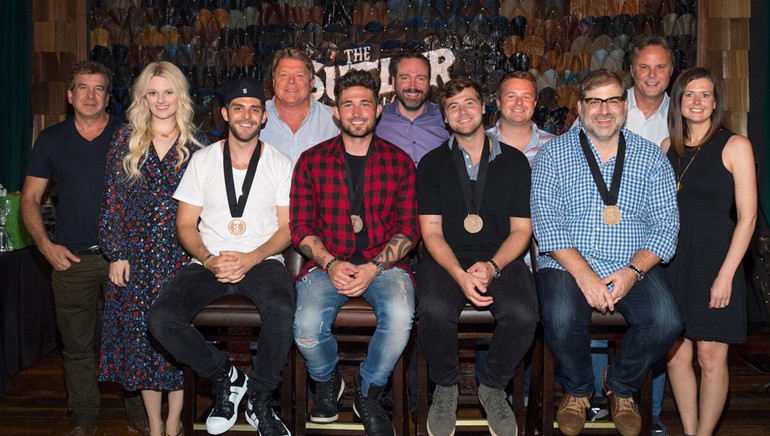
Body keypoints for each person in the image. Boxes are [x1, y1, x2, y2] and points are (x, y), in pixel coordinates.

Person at [530, 70, 682, 436]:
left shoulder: (650, 157)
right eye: (594, 101)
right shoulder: (551, 155)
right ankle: (579, 391)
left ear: (624, 107)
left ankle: (621, 384)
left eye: (612, 100)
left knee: (667, 321)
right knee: (562, 314)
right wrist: (584, 276)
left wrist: (632, 272)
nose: (604, 109)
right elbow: (547, 224)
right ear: (580, 107)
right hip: (568, 263)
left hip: (629, 262)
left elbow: (667, 226)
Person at [148, 78, 294, 436]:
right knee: (161, 318)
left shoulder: (279, 162)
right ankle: (225, 376)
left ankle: (260, 398)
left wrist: (254, 256)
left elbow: (288, 227)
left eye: (255, 109)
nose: (247, 116)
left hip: (262, 260)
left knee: (283, 309)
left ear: (264, 118)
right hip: (207, 261)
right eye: (239, 108)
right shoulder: (202, 159)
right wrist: (209, 258)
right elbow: (185, 224)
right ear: (226, 113)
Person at [19, 60, 148, 436]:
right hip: (71, 258)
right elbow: (30, 199)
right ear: (70, 94)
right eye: (83, 88)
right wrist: (45, 246)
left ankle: (139, 409)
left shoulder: (130, 136)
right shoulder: (51, 139)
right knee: (75, 347)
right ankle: (84, 417)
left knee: (133, 338)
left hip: (123, 259)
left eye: (99, 89)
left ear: (109, 97)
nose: (90, 96)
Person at [290, 69, 419, 436]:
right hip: (326, 263)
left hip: (385, 265)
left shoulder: (400, 162)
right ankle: (329, 379)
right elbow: (300, 226)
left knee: (399, 317)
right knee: (306, 329)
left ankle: (367, 390)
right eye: (348, 105)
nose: (357, 112)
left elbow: (409, 229)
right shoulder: (311, 161)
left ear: (379, 109)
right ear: (336, 112)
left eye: (365, 103)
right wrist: (329, 263)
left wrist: (374, 267)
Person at [417, 77, 539, 436]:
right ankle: (446, 388)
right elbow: (431, 233)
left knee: (523, 314)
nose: (462, 111)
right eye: (452, 106)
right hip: (446, 260)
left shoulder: (515, 163)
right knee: (433, 311)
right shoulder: (431, 164)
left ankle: (493, 387)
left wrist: (492, 266)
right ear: (444, 118)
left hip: (501, 259)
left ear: (484, 107)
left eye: (469, 103)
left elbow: (521, 230)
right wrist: (459, 273)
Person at [98, 61, 208, 436]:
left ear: (180, 95)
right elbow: (113, 200)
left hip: (182, 255)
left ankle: (176, 422)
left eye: (168, 91)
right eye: (153, 92)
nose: (161, 100)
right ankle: (156, 425)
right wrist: (116, 253)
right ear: (143, 96)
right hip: (136, 257)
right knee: (143, 341)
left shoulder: (198, 144)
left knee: (176, 338)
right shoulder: (126, 138)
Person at [662, 67, 757, 436]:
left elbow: (748, 219)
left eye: (705, 94)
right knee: (677, 356)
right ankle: (690, 432)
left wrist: (726, 275)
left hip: (717, 259)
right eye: (689, 94)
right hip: (673, 262)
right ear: (679, 102)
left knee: (710, 357)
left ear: (716, 102)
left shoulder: (736, 146)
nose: (697, 101)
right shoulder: (669, 147)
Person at [622, 35, 678, 433]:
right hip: (604, 229)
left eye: (660, 67)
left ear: (671, 72)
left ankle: (650, 406)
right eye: (644, 66)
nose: (652, 75)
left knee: (658, 318)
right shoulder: (606, 102)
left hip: (657, 231)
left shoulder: (683, 113)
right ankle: (594, 400)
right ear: (632, 70)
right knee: (600, 304)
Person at [259, 47, 339, 164]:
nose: (291, 81)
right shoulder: (254, 119)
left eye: (299, 75)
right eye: (284, 75)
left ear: (312, 83)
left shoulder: (334, 122)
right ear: (273, 83)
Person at [375, 50, 450, 165]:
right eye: (405, 78)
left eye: (420, 78)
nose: (413, 86)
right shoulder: (376, 119)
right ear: (394, 82)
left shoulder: (446, 116)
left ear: (429, 83)